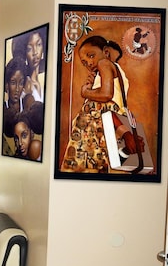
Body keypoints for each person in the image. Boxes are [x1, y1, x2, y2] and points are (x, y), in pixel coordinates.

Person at [60, 35, 141, 173]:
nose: (89, 63)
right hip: (109, 124)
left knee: (83, 168)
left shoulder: (104, 63)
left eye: (91, 56)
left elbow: (106, 94)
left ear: (106, 52)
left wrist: (85, 92)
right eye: (84, 62)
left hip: (98, 127)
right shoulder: (117, 72)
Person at [13, 28, 46, 110]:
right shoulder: (24, 86)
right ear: (24, 53)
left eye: (39, 44)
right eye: (29, 49)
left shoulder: (43, 83)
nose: (35, 52)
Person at [2, 56, 27, 156]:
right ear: (7, 85)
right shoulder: (2, 110)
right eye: (13, 83)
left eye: (20, 83)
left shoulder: (27, 107)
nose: (17, 89)